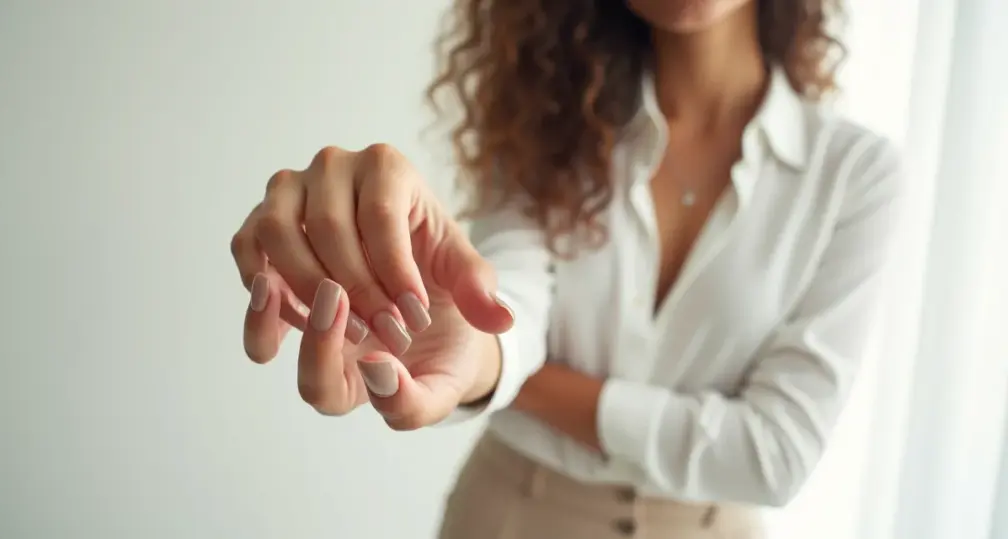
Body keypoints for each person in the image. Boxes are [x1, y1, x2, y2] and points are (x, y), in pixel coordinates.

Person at [229, 0, 905, 536]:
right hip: (510, 517)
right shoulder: (549, 125)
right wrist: (474, 352)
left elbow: (773, 453)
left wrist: (519, 383)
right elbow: (509, 302)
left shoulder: (855, 176)